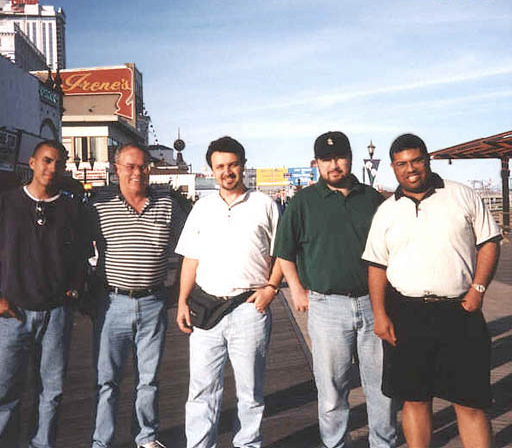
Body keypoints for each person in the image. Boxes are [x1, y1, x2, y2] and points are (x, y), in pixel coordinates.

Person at [362, 133, 501, 448]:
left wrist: (478, 289)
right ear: (394, 168)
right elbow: (376, 266)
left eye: (415, 161)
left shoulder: (462, 195)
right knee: (414, 400)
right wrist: (380, 315)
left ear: (427, 160)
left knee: (470, 401)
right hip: (407, 314)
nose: (410, 169)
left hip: (460, 312)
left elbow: (489, 242)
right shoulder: (386, 211)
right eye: (401, 164)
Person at [273, 131, 396, 448]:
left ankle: (383, 443)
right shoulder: (303, 202)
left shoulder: (371, 199)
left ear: (351, 158)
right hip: (327, 307)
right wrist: (297, 290)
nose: (334, 165)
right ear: (316, 164)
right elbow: (284, 252)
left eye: (340, 157)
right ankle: (334, 444)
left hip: (373, 303)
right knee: (331, 389)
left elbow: (393, 249)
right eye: (326, 160)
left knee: (382, 386)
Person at [0, 140, 88, 448]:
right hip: (13, 313)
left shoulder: (70, 208)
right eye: (47, 161)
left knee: (51, 391)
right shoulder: (5, 203)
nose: (52, 168)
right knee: (3, 392)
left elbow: (82, 255)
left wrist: (75, 288)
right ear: (33, 163)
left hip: (56, 314)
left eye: (58, 163)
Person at [175, 136, 283, 448]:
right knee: (201, 390)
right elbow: (190, 258)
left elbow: (283, 254)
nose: (227, 171)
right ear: (211, 170)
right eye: (220, 166)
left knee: (250, 391)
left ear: (243, 165)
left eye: (233, 164)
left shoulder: (265, 204)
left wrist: (272, 289)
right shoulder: (202, 207)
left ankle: (247, 444)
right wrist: (182, 301)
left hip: (249, 308)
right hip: (206, 311)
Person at [89, 143, 185, 448]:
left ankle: (146, 437)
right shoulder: (98, 208)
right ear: (116, 169)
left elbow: (189, 250)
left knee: (149, 379)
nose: (137, 173)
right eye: (129, 166)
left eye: (142, 166)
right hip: (112, 304)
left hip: (154, 303)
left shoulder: (168, 205)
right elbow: (75, 249)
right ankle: (102, 441)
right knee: (107, 381)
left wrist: (177, 290)